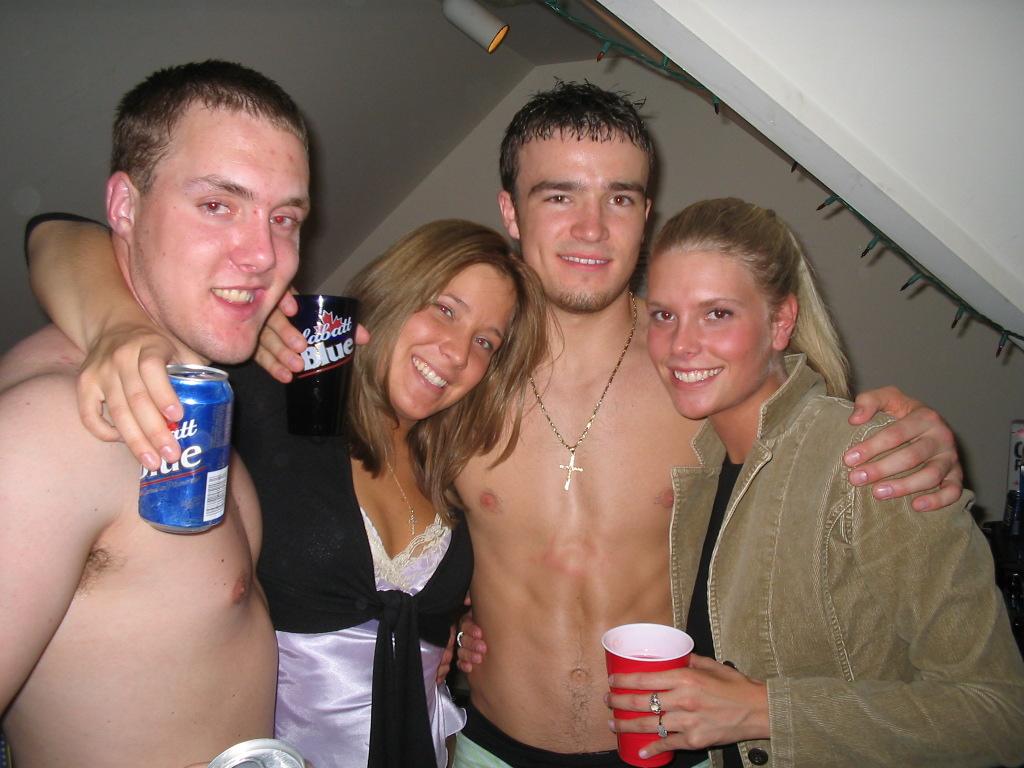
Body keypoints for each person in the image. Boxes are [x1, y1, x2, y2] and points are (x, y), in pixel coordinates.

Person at [30, 82, 963, 768]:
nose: (591, 229)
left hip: (664, 752)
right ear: (512, 211)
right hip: (485, 751)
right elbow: (68, 237)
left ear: (647, 215)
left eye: (621, 198)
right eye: (560, 195)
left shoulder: (696, 374)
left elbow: (808, 438)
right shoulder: (455, 380)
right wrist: (113, 322)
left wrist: (902, 429)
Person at [26, 217, 548, 767]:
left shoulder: (453, 469)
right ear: (397, 291)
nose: (458, 352)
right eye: (445, 309)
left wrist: (457, 634)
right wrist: (118, 328)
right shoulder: (275, 396)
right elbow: (55, 235)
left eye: (485, 342)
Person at [606, 198, 1024, 767]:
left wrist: (764, 712)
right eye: (663, 315)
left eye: (717, 313)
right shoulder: (700, 472)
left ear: (781, 322)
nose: (681, 344)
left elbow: (999, 715)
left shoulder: (872, 461)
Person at [0, 60, 311, 768]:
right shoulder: (50, 432)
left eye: (285, 218)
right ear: (124, 206)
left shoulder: (199, 391)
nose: (263, 255)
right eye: (218, 205)